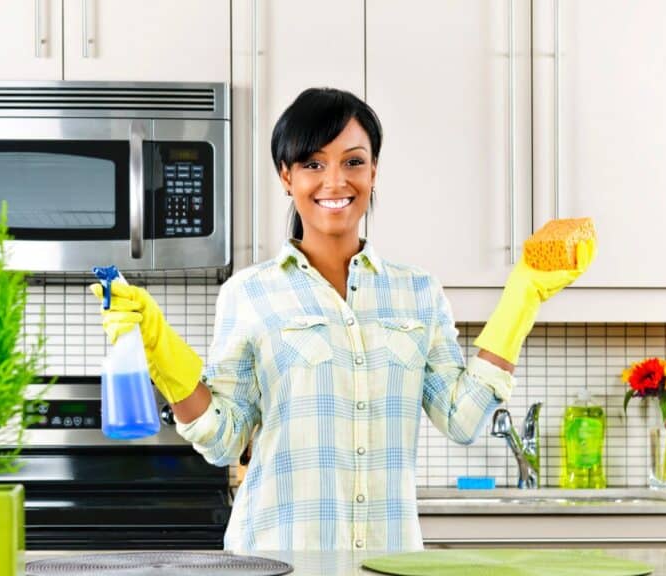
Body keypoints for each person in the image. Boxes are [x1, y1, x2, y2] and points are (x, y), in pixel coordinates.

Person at [91, 87, 595, 551]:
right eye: (313, 163)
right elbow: (224, 439)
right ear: (286, 177)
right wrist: (158, 348)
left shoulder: (417, 292)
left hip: (386, 560)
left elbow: (463, 420)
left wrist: (521, 298)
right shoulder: (249, 293)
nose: (335, 181)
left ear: (373, 172)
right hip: (275, 559)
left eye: (353, 161)